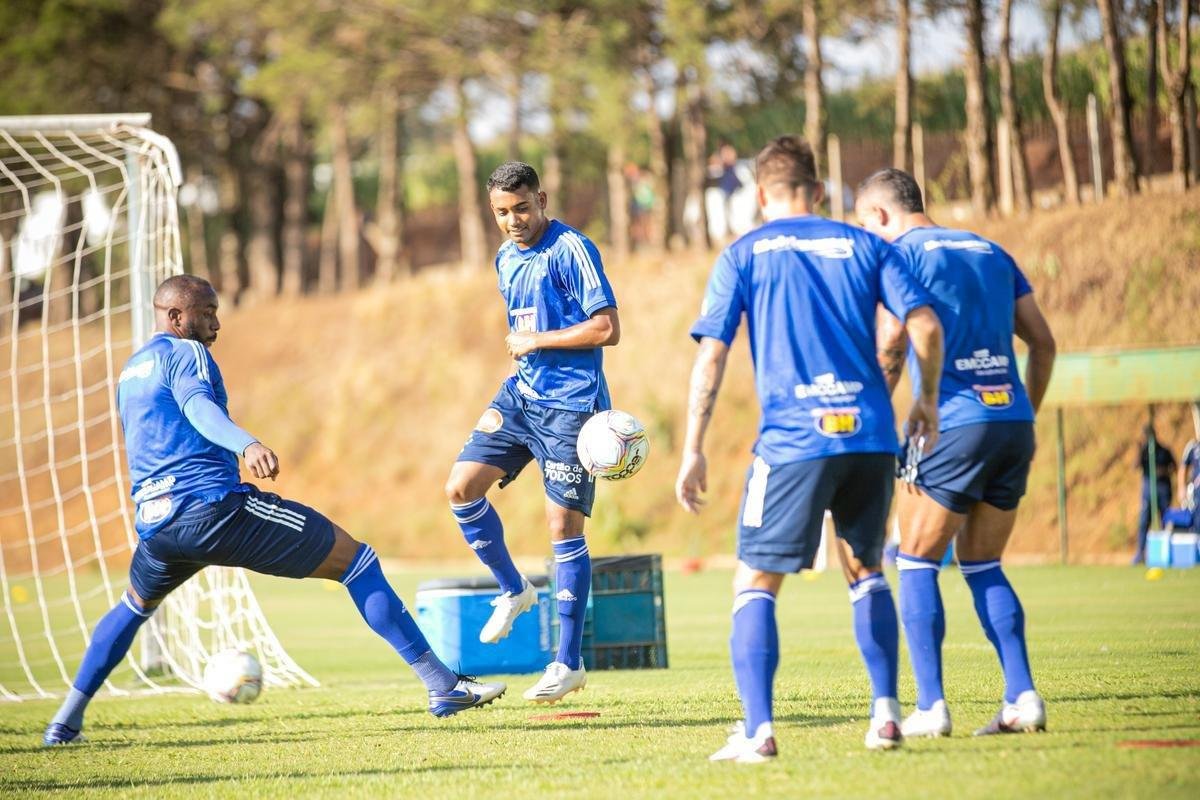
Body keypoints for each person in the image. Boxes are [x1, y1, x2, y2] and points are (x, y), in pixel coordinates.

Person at [41, 276, 504, 746]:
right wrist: (247, 444)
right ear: (176, 317)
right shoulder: (188, 354)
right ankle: (443, 687)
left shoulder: (132, 369)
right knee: (356, 562)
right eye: (206, 312)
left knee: (134, 607)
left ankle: (65, 721)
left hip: (157, 524)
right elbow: (198, 408)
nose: (216, 323)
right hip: (213, 509)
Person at [676, 136, 944, 762]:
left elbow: (711, 353)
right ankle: (885, 717)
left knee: (754, 581)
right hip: (871, 436)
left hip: (793, 442)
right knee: (866, 571)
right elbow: (923, 324)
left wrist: (693, 447)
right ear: (821, 192)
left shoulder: (743, 254)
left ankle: (759, 731)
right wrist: (924, 401)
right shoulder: (867, 244)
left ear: (762, 194)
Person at [856, 167, 1057, 738]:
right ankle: (1022, 696)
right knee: (983, 562)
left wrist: (873, 420)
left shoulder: (900, 257)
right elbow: (1042, 342)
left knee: (916, 558)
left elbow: (893, 342)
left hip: (949, 423)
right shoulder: (990, 249)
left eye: (864, 225)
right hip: (1011, 420)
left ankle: (931, 707)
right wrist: (1026, 412)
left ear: (879, 216)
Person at [444, 162, 620, 704]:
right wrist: (531, 351)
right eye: (501, 212)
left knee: (562, 531)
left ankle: (567, 662)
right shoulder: (503, 257)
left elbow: (607, 328)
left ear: (541, 199)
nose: (513, 220)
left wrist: (538, 340)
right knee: (459, 488)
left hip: (571, 407)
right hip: (521, 397)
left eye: (522, 208)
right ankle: (513, 589)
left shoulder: (572, 249)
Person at [1133, 424, 1177, 561]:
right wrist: (1138, 450)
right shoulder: (1144, 452)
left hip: (1163, 489)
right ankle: (1140, 553)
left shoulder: (1164, 450)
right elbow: (1135, 466)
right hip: (1148, 490)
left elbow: (1174, 467)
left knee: (1166, 520)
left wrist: (1163, 471)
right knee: (1144, 522)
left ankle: (1167, 553)